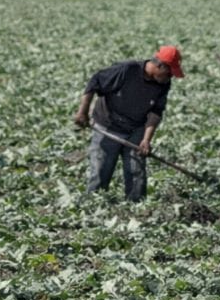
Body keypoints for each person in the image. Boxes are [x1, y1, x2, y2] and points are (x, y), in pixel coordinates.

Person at [73, 45, 183, 202]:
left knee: (136, 170)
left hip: (136, 128)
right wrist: (82, 112)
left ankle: (136, 208)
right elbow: (95, 81)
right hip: (108, 125)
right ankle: (93, 206)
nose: (170, 77)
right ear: (160, 65)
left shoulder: (163, 83)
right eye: (169, 72)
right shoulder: (127, 70)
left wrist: (146, 140)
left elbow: (156, 112)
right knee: (101, 169)